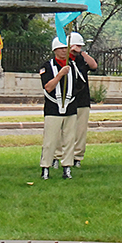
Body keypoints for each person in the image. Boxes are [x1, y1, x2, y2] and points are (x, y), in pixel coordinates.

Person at [39, 37, 78, 180]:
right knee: (50, 140)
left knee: (69, 139)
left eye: (65, 48)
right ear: (55, 50)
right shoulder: (47, 66)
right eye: (61, 48)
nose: (64, 51)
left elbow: (79, 85)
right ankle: (45, 167)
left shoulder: (73, 65)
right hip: (53, 108)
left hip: (70, 107)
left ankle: (67, 167)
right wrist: (60, 74)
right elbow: (48, 87)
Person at [68, 32, 98, 167]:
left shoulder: (81, 59)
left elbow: (94, 66)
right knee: (65, 130)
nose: (78, 48)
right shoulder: (64, 59)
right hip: (68, 99)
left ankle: (77, 156)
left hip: (83, 99)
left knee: (80, 130)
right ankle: (61, 155)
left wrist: (82, 53)